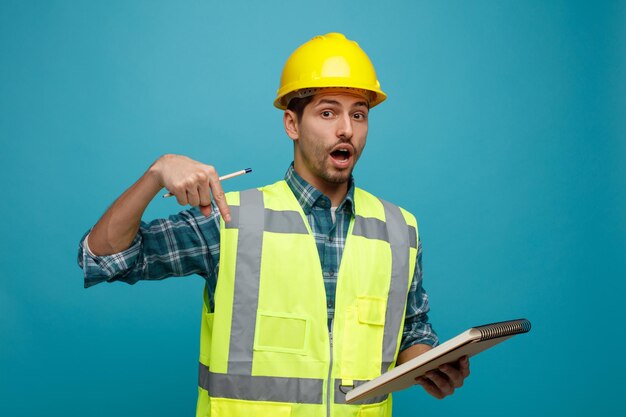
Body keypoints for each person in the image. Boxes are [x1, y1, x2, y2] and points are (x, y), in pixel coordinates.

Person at [78, 32, 469, 416]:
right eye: (328, 112)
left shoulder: (400, 229)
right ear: (292, 124)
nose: (346, 129)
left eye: (358, 114)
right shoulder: (229, 221)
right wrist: (156, 173)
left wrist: (430, 363)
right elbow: (103, 256)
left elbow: (412, 332)